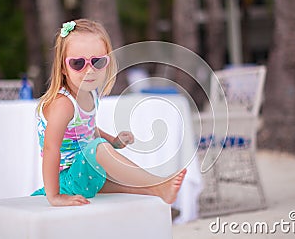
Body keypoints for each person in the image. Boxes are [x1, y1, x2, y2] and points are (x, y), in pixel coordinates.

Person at [31, 19, 186, 206]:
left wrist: (114, 141)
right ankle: (157, 181)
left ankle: (159, 190)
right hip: (67, 180)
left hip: (84, 173)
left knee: (120, 179)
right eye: (78, 63)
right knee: (99, 148)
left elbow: (89, 130)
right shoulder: (63, 104)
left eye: (97, 62)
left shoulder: (89, 94)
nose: (89, 70)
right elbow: (50, 148)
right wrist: (54, 195)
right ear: (63, 68)